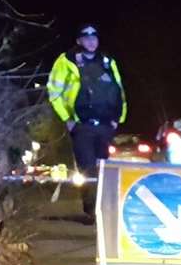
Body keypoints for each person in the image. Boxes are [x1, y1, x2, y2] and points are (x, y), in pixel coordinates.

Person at [47, 24, 128, 219]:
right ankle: (92, 209)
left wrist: (118, 118)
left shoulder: (107, 61)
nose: (91, 40)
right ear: (79, 40)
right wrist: (67, 119)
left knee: (104, 168)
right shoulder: (66, 61)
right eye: (86, 36)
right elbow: (54, 92)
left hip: (106, 125)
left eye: (94, 36)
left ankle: (105, 207)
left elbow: (118, 90)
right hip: (81, 125)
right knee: (88, 168)